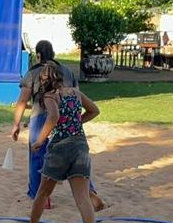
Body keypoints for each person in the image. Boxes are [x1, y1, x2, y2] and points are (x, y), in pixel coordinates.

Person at [24, 64, 103, 223]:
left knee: (42, 193)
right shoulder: (75, 93)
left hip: (60, 148)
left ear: (43, 81)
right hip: (80, 146)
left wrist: (40, 140)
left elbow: (54, 117)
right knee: (83, 199)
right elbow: (94, 110)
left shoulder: (50, 96)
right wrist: (76, 122)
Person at [12, 41, 104, 212]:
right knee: (76, 159)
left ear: (38, 55)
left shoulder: (33, 72)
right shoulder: (67, 71)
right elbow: (77, 97)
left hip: (41, 116)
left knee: (37, 155)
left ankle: (39, 195)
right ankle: (90, 191)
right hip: (67, 119)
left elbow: (23, 100)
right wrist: (76, 121)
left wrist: (16, 124)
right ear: (53, 53)